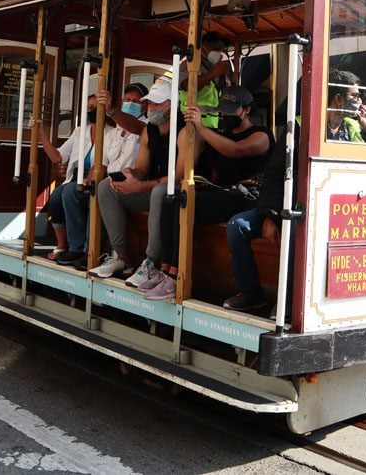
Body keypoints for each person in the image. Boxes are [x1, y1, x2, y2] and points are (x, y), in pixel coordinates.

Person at [128, 86, 273, 300]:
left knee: (184, 203)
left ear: (247, 110)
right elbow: (216, 172)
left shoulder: (261, 135)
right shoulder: (221, 134)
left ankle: (177, 277)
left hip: (249, 196)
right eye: (222, 109)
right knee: (172, 199)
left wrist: (201, 128)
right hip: (225, 193)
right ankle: (166, 269)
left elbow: (235, 150)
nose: (224, 114)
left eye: (230, 110)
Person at [35, 86, 144, 265]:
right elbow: (100, 161)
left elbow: (134, 130)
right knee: (63, 193)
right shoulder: (96, 132)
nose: (92, 111)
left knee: (96, 192)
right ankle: (73, 247)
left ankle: (90, 251)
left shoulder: (133, 128)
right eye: (90, 107)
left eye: (135, 101)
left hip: (119, 183)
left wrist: (94, 178)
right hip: (92, 179)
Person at [92, 77, 184, 278]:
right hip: (152, 190)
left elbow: (179, 177)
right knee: (106, 186)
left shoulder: (184, 131)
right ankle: (122, 256)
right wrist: (130, 175)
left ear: (172, 105)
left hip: (175, 195)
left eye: (157, 103)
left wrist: (141, 186)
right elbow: (142, 168)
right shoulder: (149, 131)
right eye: (150, 102)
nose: (151, 107)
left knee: (160, 191)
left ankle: (151, 262)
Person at [223, 116, 300, 312]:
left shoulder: (352, 130)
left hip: (316, 212)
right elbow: (274, 173)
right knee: (237, 225)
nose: (357, 101)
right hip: (286, 207)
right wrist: (270, 215)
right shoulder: (297, 126)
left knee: (294, 230)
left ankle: (290, 300)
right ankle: (251, 293)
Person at [325, 69, 366, 142]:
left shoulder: (351, 128)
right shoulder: (306, 125)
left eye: (359, 96)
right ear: (338, 98)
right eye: (355, 95)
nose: (359, 100)